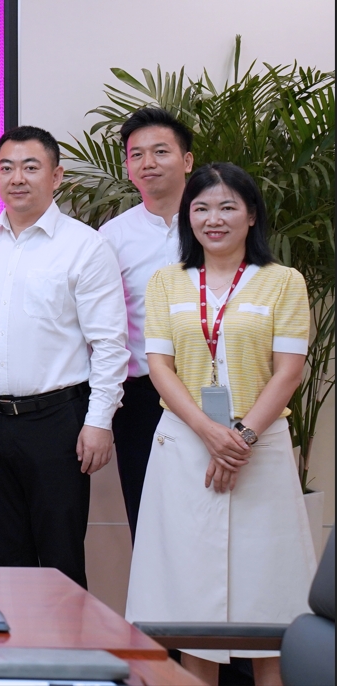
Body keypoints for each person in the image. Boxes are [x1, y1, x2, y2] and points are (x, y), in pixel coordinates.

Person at [126, 163, 317, 686]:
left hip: (261, 447)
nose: (214, 219)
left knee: (269, 594)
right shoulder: (167, 281)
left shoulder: (283, 282)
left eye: (228, 206)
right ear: (188, 217)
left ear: (251, 215)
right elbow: (159, 367)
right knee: (191, 596)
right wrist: (211, 433)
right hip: (185, 445)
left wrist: (241, 439)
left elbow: (289, 371)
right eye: (202, 208)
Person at [0, 125, 129, 589]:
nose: (17, 178)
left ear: (56, 176)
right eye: (6, 167)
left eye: (31, 167)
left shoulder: (85, 246)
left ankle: (66, 639)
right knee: (1, 553)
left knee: (60, 556)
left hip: (58, 421)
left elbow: (109, 344)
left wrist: (99, 422)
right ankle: (11, 638)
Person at [99, 106, 195, 541]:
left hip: (213, 390)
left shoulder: (218, 224)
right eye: (136, 154)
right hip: (141, 399)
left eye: (160, 151)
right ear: (127, 166)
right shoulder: (111, 237)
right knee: (149, 519)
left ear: (187, 160)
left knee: (212, 514)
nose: (148, 163)